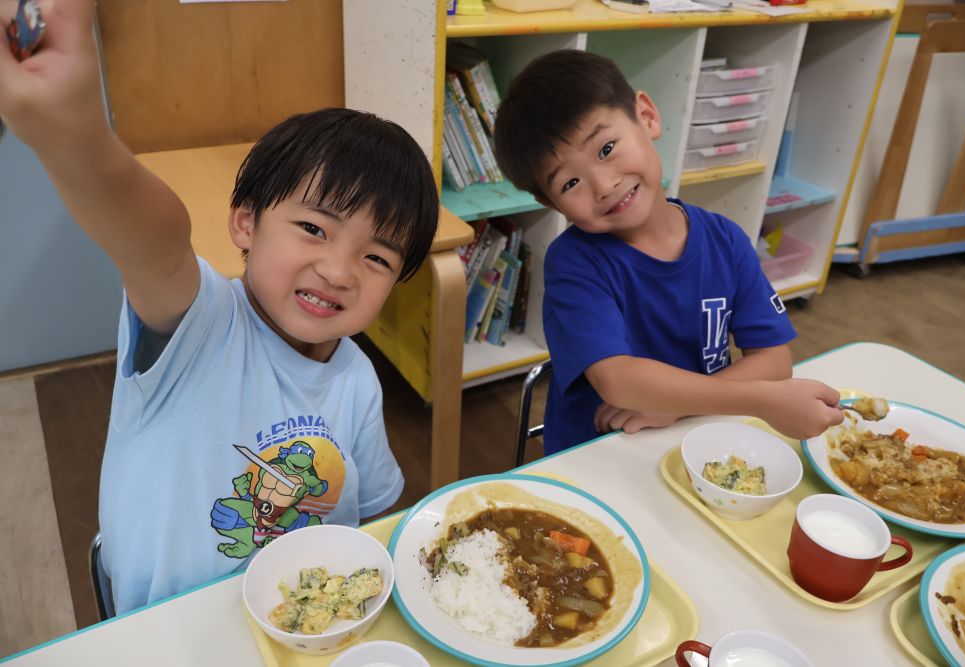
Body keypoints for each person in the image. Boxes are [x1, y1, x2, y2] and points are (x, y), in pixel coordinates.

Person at [0, 0, 438, 613]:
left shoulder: (357, 381)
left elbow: (371, 519)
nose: (339, 271)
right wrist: (74, 132)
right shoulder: (201, 325)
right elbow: (153, 240)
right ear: (245, 222)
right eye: (314, 228)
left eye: (377, 259)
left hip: (298, 627)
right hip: (166, 634)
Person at [493, 50, 843, 455]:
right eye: (570, 183)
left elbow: (774, 360)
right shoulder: (573, 263)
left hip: (700, 437)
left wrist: (675, 410)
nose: (604, 185)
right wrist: (762, 400)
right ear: (552, 203)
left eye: (606, 149)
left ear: (647, 116)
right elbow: (619, 381)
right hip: (603, 453)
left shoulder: (725, 240)